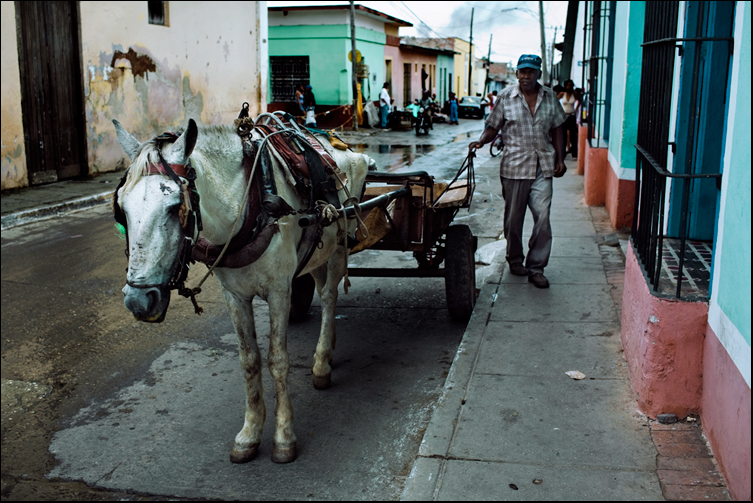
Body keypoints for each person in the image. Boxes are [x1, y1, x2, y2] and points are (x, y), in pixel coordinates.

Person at [468, 54, 567, 289]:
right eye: (522, 71)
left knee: (542, 216)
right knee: (513, 220)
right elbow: (493, 126)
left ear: (538, 75)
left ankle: (537, 267)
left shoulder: (550, 97)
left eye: (531, 72)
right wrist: (481, 142)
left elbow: (559, 128)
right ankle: (514, 259)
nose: (526, 76)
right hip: (513, 167)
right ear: (517, 73)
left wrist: (560, 158)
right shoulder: (505, 97)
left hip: (543, 166)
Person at [557, 79, 581, 159]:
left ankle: (574, 154)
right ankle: (562, 154)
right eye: (567, 85)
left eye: (570, 85)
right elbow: (555, 101)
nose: (569, 86)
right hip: (564, 116)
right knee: (563, 135)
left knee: (572, 136)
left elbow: (580, 100)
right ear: (565, 86)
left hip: (572, 116)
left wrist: (576, 109)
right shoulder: (562, 94)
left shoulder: (575, 94)